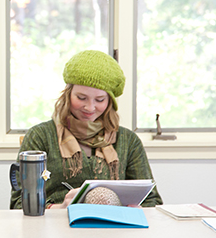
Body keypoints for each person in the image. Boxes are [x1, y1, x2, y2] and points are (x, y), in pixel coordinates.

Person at [10, 50, 162, 209]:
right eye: (81, 98)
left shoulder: (128, 141)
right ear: (68, 94)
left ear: (110, 101)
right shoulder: (40, 136)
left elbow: (152, 201)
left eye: (100, 99)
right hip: (56, 228)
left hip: (114, 230)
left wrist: (138, 210)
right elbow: (18, 203)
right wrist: (60, 208)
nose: (89, 107)